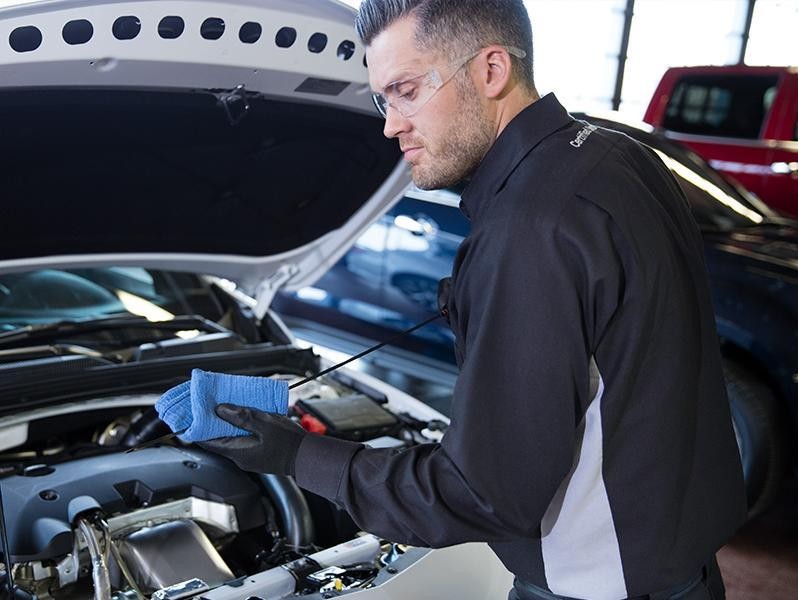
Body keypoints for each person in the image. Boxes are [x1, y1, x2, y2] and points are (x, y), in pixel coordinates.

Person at [199, 1, 747, 598]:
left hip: (598, 582)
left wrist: (299, 454)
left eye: (404, 91)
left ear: (490, 71)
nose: (389, 124)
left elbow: (485, 493)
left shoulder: (531, 226)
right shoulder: (618, 155)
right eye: (384, 99)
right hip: (683, 561)